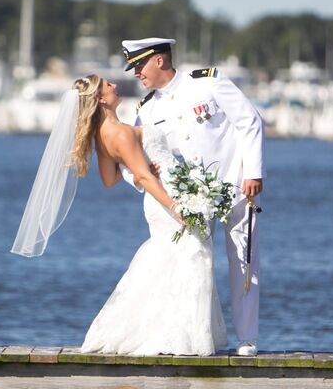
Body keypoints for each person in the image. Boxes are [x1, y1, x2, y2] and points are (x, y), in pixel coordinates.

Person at [12, 74, 227, 356]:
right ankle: (176, 338)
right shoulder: (121, 133)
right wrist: (176, 207)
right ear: (101, 99)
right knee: (191, 257)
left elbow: (110, 178)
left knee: (174, 260)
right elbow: (142, 176)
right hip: (167, 201)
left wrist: (140, 174)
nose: (114, 85)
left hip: (161, 196)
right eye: (108, 85)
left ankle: (171, 334)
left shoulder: (103, 135)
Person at [121, 37, 265, 357]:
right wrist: (146, 179)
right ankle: (188, 336)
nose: (136, 73)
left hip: (235, 186)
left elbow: (249, 121)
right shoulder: (147, 108)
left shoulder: (208, 83)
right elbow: (132, 160)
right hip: (189, 199)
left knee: (244, 261)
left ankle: (247, 339)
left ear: (159, 60)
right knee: (192, 265)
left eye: (139, 65)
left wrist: (253, 172)